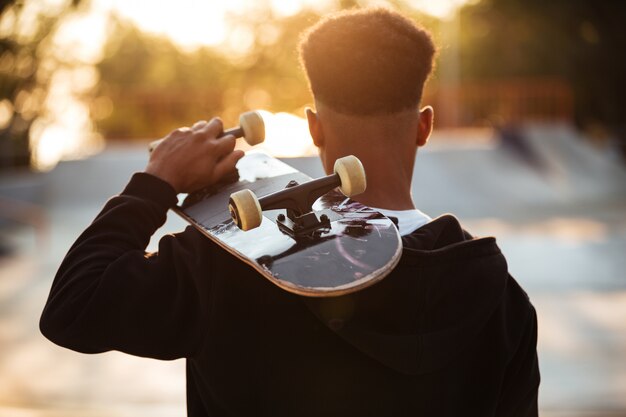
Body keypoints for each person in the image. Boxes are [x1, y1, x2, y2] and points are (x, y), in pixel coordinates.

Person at [40, 8, 540, 417]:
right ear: (425, 126)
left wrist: (154, 184)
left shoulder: (232, 263)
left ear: (314, 128)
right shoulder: (501, 303)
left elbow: (73, 308)